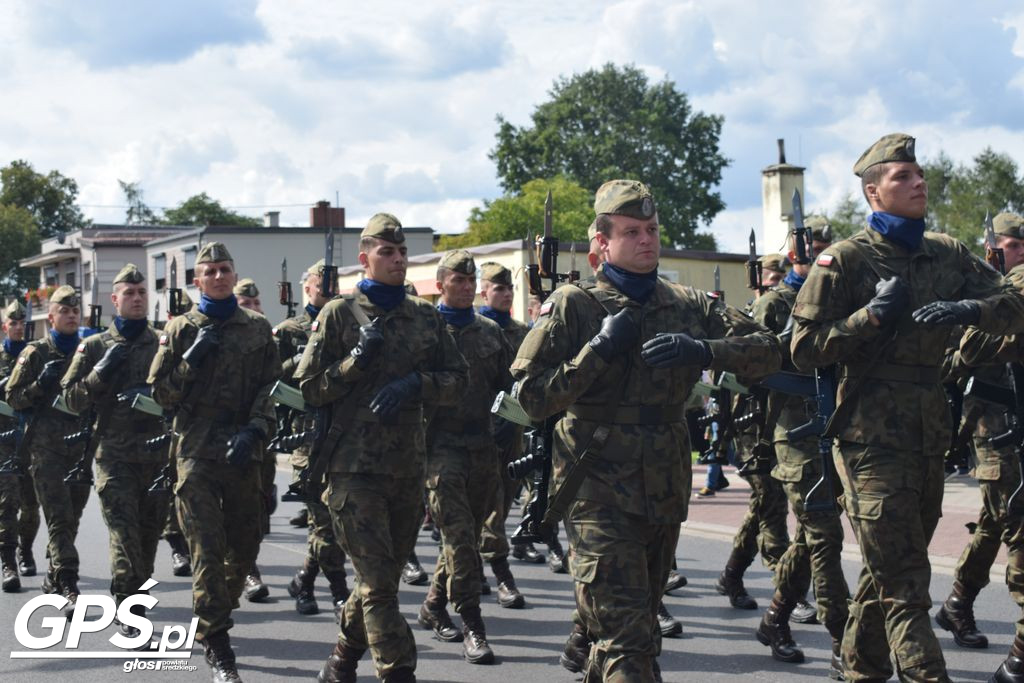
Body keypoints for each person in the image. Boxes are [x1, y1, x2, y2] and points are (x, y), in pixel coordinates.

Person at [512, 179, 781, 681]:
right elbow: (531, 398)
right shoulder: (575, 306)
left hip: (663, 488)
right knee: (629, 645)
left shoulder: (688, 304)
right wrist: (597, 351)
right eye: (632, 231)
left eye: (652, 230)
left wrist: (706, 351)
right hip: (595, 487)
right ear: (602, 243)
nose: (646, 240)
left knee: (636, 634)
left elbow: (768, 350)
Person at [791, 133, 1024, 682]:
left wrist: (971, 307)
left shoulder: (945, 252)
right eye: (902, 176)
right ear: (874, 192)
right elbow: (801, 349)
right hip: (868, 439)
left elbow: (1013, 305)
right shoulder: (845, 259)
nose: (918, 182)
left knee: (888, 567)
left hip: (928, 433)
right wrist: (866, 318)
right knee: (905, 584)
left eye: (918, 174)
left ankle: (859, 669)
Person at [295, 213, 468, 683]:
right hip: (351, 469)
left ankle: (340, 661)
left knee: (382, 580)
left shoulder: (426, 317)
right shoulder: (337, 315)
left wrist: (416, 384)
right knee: (377, 586)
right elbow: (308, 389)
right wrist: (355, 363)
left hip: (407, 468)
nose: (397, 259)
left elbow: (458, 382)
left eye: (402, 252)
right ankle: (398, 673)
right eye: (387, 252)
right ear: (365, 257)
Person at [149, 241, 281, 682]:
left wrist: (256, 429)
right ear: (198, 280)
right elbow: (160, 395)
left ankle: (213, 613)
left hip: (244, 447)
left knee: (245, 545)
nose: (220, 276)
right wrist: (190, 359)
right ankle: (218, 643)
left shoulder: (259, 328)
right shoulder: (182, 329)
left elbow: (272, 388)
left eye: (226, 269)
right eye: (212, 271)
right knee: (206, 549)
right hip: (196, 449)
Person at [749, 237, 850, 677]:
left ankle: (774, 618)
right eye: (813, 255)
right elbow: (748, 365)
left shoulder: (842, 298)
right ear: (796, 258)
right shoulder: (775, 303)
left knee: (812, 538)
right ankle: (842, 638)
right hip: (793, 431)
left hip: (837, 429)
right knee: (825, 535)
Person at [938, 212, 1024, 680]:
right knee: (1013, 518)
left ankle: (956, 602)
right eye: (1012, 245)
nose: (1020, 252)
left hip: (1016, 417)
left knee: (995, 521)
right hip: (993, 422)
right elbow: (957, 356)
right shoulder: (980, 294)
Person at [416, 250, 513, 664]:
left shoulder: (491, 332)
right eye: (458, 279)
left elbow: (508, 386)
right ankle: (473, 623)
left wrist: (511, 421)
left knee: (468, 540)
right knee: (457, 538)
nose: (467, 286)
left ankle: (434, 605)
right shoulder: (424, 331)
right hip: (439, 450)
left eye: (471, 280)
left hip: (482, 448)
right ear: (441, 284)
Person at [61, 264, 168, 636]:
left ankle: (135, 597)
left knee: (148, 540)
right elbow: (69, 400)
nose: (137, 299)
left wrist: (155, 398)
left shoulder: (163, 341)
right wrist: (99, 374)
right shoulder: (94, 347)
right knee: (124, 537)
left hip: (158, 457)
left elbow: (184, 394)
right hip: (114, 457)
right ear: (115, 300)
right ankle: (127, 612)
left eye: (142, 293)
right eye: (130, 294)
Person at [277, 260, 350, 619]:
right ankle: (339, 593)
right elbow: (272, 381)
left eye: (333, 280)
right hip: (308, 436)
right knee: (323, 521)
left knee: (333, 524)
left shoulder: (349, 322)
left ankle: (305, 580)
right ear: (308, 287)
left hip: (346, 434)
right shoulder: (290, 330)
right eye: (321, 280)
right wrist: (299, 360)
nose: (328, 285)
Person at [5, 286, 85, 617]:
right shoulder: (36, 353)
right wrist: (39, 384)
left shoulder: (88, 351)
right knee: (59, 518)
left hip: (80, 449)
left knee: (71, 519)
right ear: (51, 317)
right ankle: (69, 585)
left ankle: (53, 574)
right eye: (64, 311)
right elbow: (13, 396)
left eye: (74, 311)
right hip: (42, 449)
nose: (70, 316)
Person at [476, 261, 541, 587]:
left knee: (506, 494)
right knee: (487, 498)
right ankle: (494, 569)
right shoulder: (473, 327)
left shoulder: (520, 331)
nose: (506, 294)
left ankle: (478, 558)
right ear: (484, 291)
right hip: (479, 429)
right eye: (499, 289)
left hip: (512, 427)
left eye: (509, 288)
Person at [229, 276, 275, 604]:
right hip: (217, 440)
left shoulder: (267, 337)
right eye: (247, 304)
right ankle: (246, 572)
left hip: (261, 436)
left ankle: (243, 562)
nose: (255, 309)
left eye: (257, 303)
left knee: (256, 509)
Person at [0, 300, 37, 592]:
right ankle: (8, 562)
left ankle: (26, 549)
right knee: (7, 504)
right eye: (13, 324)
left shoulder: (34, 355)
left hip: (32, 442)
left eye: (22, 324)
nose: (18, 328)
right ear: (5, 327)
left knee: (32, 508)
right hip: (4, 441)